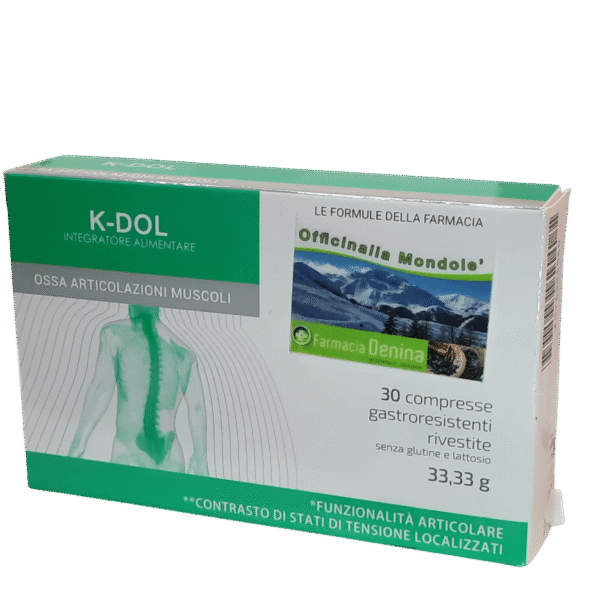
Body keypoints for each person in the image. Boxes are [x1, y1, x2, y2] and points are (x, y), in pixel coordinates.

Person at [68, 304, 209, 475]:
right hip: (170, 457)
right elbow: (197, 408)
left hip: (128, 452)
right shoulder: (185, 353)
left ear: (131, 305)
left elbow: (102, 388)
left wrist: (78, 443)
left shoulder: (114, 333)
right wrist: (200, 458)